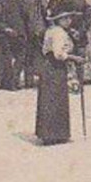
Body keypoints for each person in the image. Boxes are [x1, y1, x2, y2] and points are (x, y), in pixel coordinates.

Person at [35, 8, 81, 146]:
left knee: (52, 98)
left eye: (69, 18)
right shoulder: (58, 33)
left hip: (49, 66)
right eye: (65, 18)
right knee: (55, 98)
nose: (68, 21)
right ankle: (54, 134)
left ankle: (51, 133)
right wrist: (74, 58)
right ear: (58, 20)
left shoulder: (52, 30)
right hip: (54, 66)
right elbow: (58, 54)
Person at [0, 0, 25, 91]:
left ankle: (5, 81)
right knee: (20, 55)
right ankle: (15, 80)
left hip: (4, 30)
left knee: (5, 56)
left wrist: (4, 27)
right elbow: (24, 12)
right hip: (19, 29)